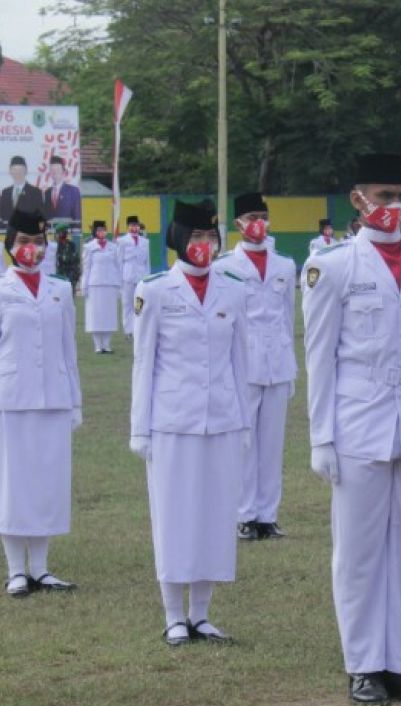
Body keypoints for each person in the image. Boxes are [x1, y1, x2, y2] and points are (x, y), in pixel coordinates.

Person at [302, 153, 401, 706]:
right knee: (360, 550)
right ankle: (364, 664)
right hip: (359, 421)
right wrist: (321, 436)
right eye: (383, 194)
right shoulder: (333, 265)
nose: (394, 206)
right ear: (358, 199)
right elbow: (319, 356)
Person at [130, 199, 249, 646]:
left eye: (210, 238)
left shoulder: (232, 289)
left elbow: (241, 361)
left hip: (220, 419)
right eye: (196, 237)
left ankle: (202, 613)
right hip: (172, 422)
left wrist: (243, 424)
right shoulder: (155, 290)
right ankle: (174, 614)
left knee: (215, 517)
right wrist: (140, 428)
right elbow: (144, 363)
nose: (204, 245)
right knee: (175, 516)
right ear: (179, 240)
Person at [0, 206, 82, 597]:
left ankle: (42, 567)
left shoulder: (60, 289)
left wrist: (75, 399)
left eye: (38, 242)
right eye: (24, 242)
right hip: (10, 399)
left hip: (52, 396)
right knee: (13, 484)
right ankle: (16, 569)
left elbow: (68, 350)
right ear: (10, 245)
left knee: (47, 483)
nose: (32, 249)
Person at [217, 192, 298, 541]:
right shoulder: (225, 267)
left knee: (272, 443)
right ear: (238, 224)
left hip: (278, 363)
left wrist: (292, 364)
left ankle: (268, 515)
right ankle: (244, 514)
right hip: (243, 365)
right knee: (245, 442)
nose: (258, 224)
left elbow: (289, 316)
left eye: (262, 216)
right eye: (250, 217)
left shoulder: (285, 265)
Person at [81, 220, 122, 354]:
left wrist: (119, 285)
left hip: (110, 284)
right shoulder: (89, 247)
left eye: (103, 230)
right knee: (96, 315)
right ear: (95, 232)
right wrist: (84, 286)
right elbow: (86, 268)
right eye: (99, 230)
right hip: (95, 284)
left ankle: (107, 344)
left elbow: (118, 267)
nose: (102, 233)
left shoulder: (114, 247)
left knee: (109, 315)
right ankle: (98, 345)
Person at [118, 215, 151, 340]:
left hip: (141, 276)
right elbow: (119, 261)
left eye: (136, 225)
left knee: (140, 304)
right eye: (132, 225)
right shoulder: (122, 241)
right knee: (127, 305)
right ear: (128, 227)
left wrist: (147, 278)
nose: (134, 228)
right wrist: (119, 279)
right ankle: (128, 330)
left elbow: (147, 262)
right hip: (127, 276)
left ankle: (139, 328)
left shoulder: (145, 242)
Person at [0, 156, 44, 222]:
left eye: (21, 170)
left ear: (26, 171)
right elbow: (2, 215)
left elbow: (40, 216)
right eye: (15, 170)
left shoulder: (35, 192)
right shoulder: (5, 192)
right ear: (10, 171)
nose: (18, 173)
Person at [42, 155, 81, 221]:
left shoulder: (73, 191)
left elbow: (77, 216)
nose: (54, 172)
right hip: (50, 230)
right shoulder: (47, 192)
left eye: (57, 169)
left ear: (63, 171)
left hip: (67, 230)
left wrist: (76, 230)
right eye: (52, 170)